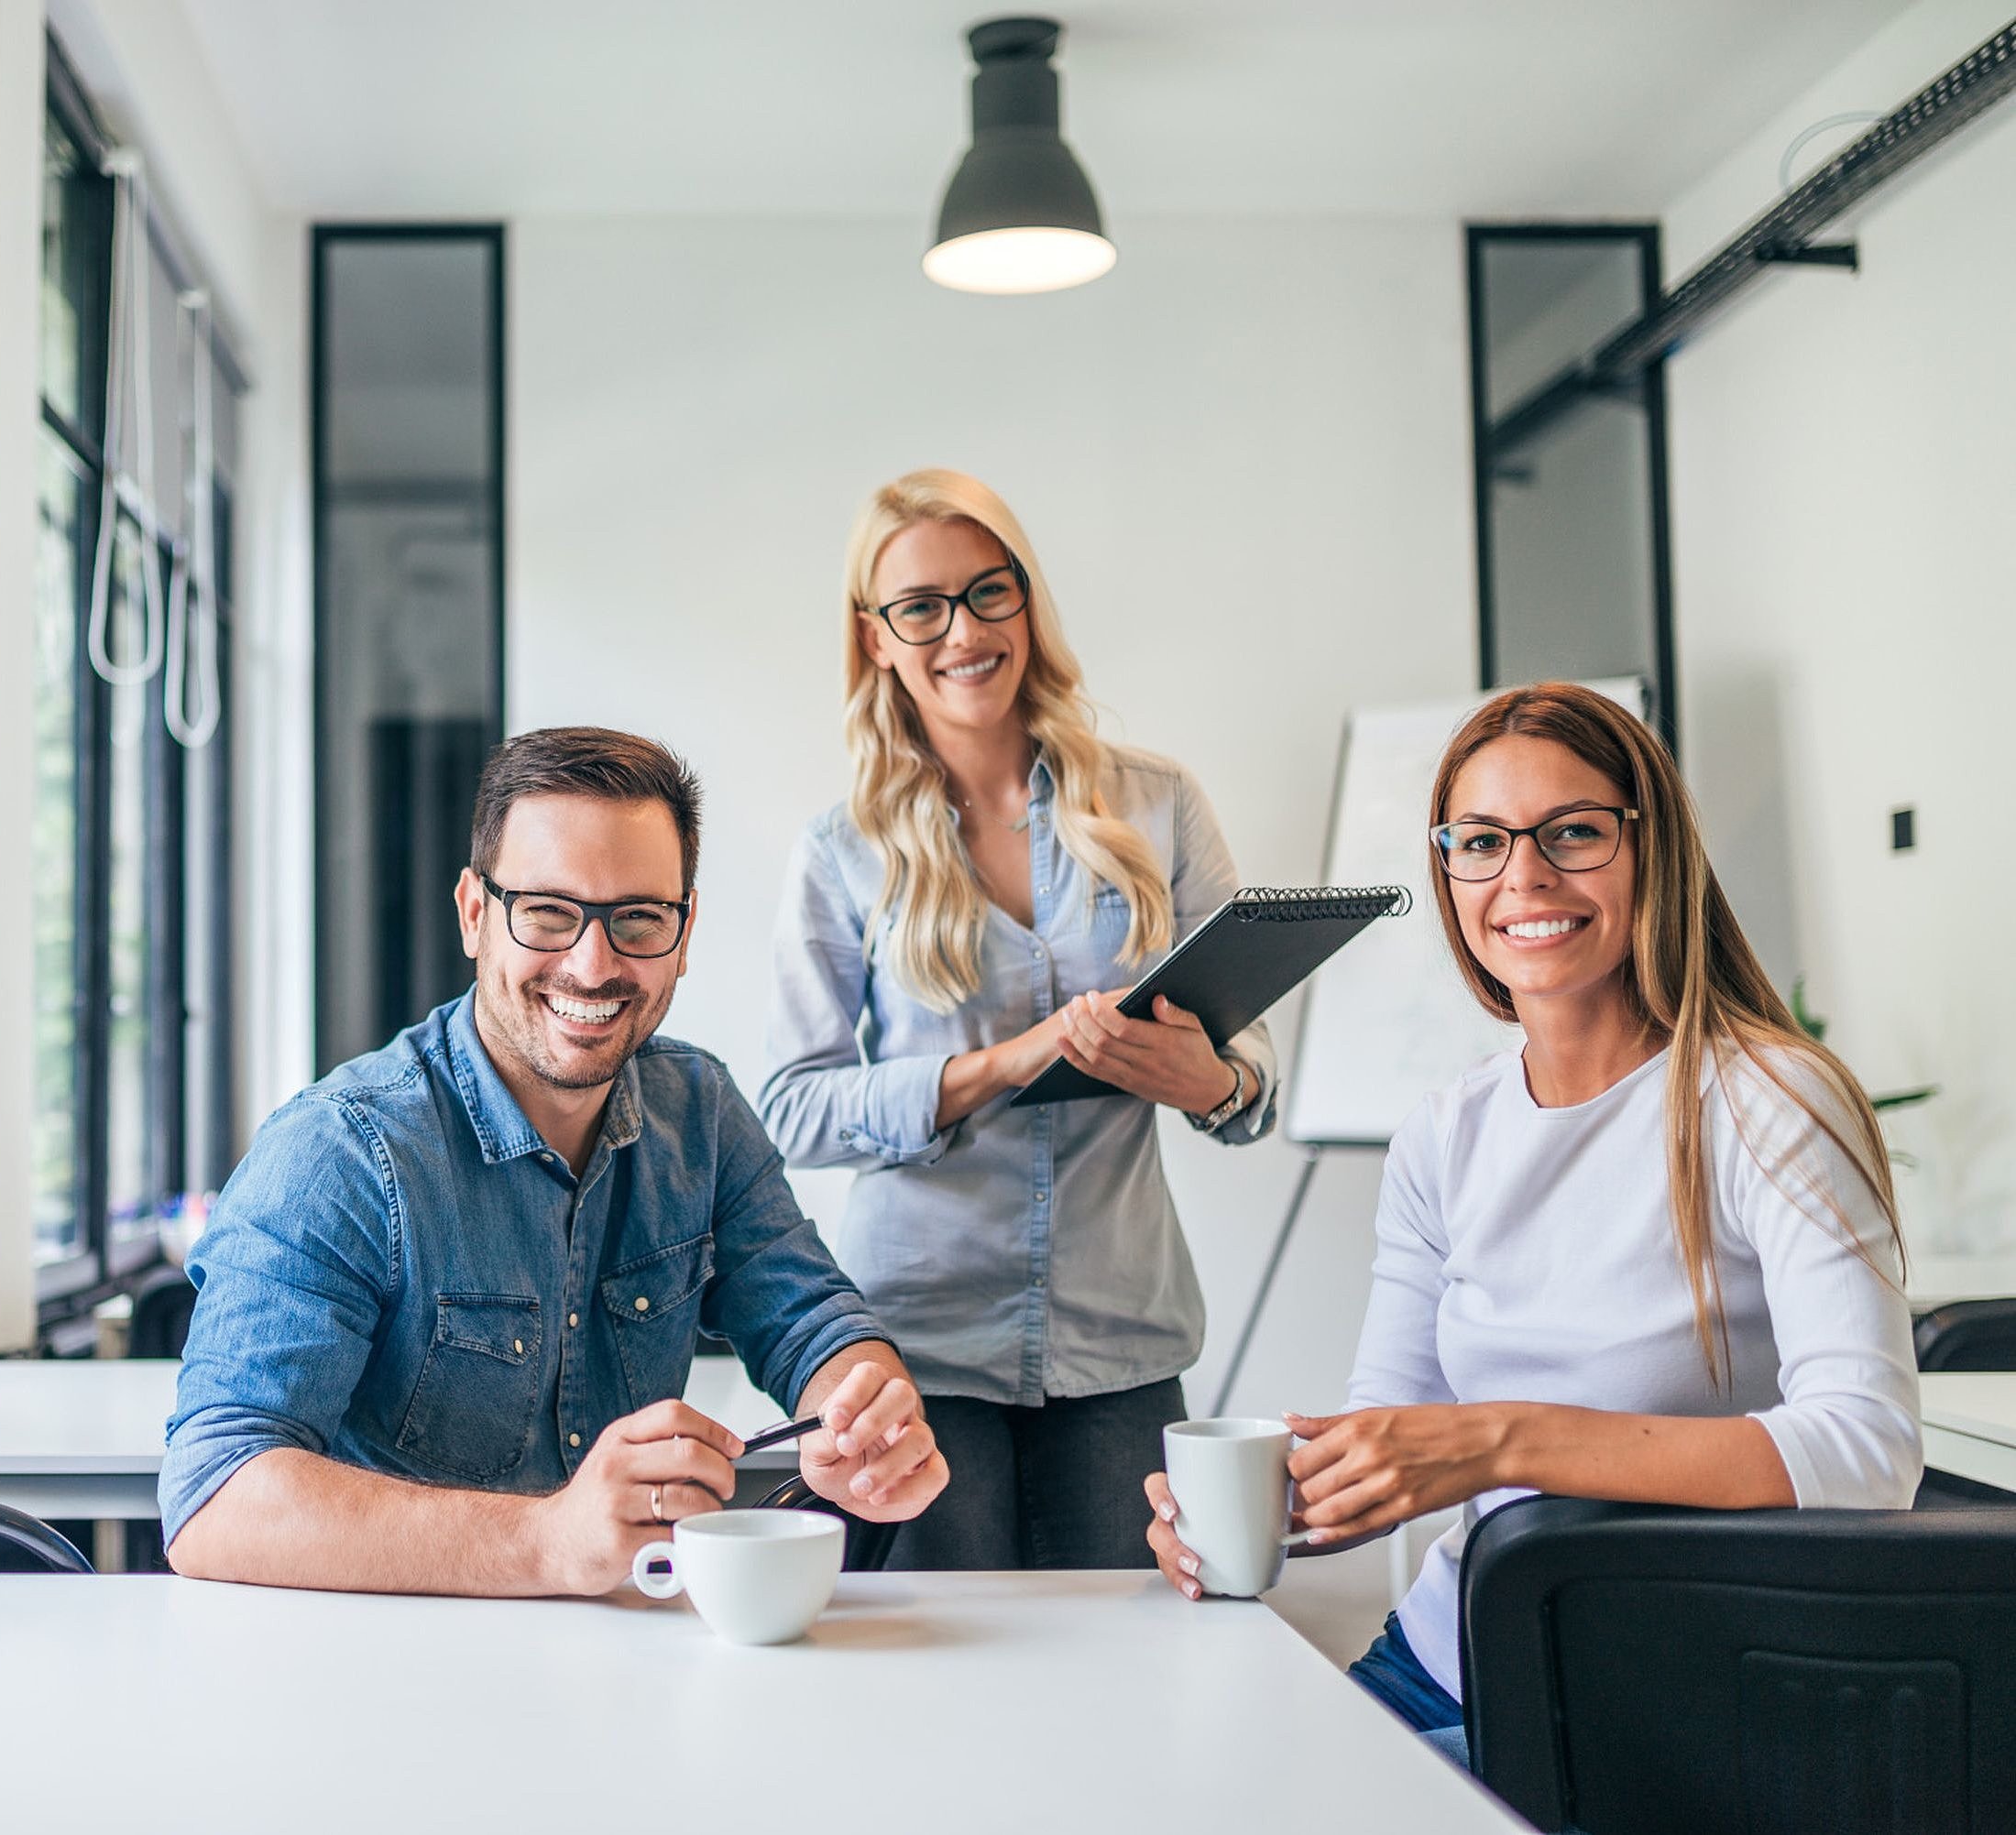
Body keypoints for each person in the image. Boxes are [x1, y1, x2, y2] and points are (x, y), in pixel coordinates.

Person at [1144, 682, 1921, 1762]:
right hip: (1455, 1647)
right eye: (1481, 841)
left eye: (1573, 831)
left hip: (1681, 1683)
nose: (1524, 875)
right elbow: (1391, 1430)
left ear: (1651, 845)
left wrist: (1501, 1439)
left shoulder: (1765, 1099)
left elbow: (1866, 1447)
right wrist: (1255, 1503)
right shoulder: (1444, 1135)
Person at [162, 727, 948, 1595]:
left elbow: (810, 1321)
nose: (591, 963)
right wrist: (546, 1539)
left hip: (626, 1664)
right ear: (474, 914)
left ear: (684, 934)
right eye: (546, 911)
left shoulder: (701, 1112)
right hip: (383, 1682)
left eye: (638, 919)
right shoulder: (339, 1151)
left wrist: (862, 1409)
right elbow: (213, 1496)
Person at [759, 469, 1277, 1570]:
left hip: (1119, 1337)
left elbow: (1252, 1074)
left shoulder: (1158, 802)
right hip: (917, 1344)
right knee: (942, 1685)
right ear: (878, 637)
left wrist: (1210, 1081)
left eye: (989, 592)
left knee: (1130, 1673)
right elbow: (791, 1110)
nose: (964, 631)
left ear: (1027, 602)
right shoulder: (838, 849)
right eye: (922, 607)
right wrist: (998, 1066)